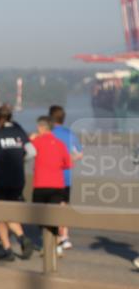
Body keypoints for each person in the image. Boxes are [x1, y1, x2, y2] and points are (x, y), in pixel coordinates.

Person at [0, 104, 36, 262]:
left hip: (0, 178)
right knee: (10, 212)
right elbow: (33, 152)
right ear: (11, 116)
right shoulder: (19, 129)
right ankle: (21, 239)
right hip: (18, 178)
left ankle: (10, 249)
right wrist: (21, 160)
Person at [30, 116, 72, 254]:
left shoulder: (36, 141)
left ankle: (50, 244)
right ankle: (56, 244)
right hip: (57, 186)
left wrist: (30, 140)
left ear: (41, 128)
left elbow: (27, 153)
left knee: (39, 216)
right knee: (53, 216)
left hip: (40, 185)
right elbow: (68, 164)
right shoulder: (60, 144)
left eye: (38, 127)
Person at [48, 105, 83, 250]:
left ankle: (56, 238)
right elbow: (80, 154)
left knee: (53, 207)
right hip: (66, 177)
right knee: (64, 205)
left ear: (50, 118)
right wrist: (69, 161)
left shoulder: (49, 134)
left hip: (51, 177)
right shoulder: (70, 133)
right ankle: (65, 236)